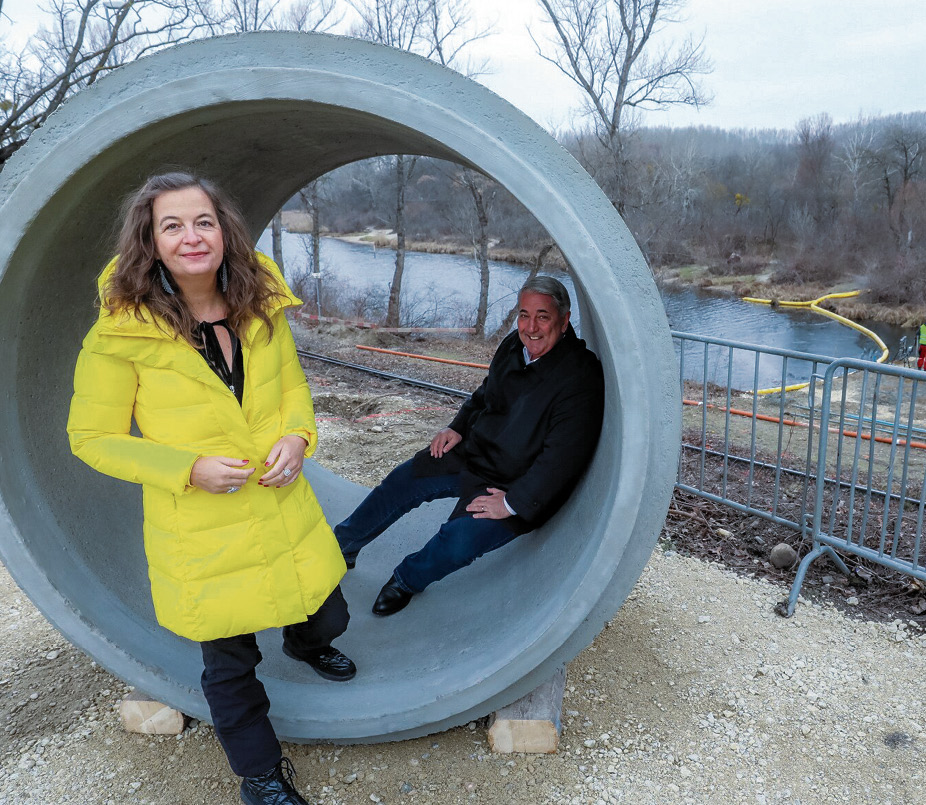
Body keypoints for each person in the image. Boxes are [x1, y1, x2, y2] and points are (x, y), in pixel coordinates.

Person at [67, 172, 352, 805]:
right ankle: (259, 776)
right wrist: (187, 468)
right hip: (203, 526)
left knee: (329, 611)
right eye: (173, 225)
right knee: (230, 662)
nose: (191, 236)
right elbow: (90, 437)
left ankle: (306, 643)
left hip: (280, 504)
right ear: (150, 240)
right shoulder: (122, 333)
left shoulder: (260, 301)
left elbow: (292, 390)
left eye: (203, 221)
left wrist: (299, 439)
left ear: (224, 231)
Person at [336, 276, 604, 616]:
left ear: (564, 321)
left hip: (513, 483)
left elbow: (562, 458)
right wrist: (458, 426)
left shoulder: (580, 377)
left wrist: (512, 503)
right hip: (476, 454)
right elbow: (485, 393)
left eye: (543, 316)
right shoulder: (513, 345)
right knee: (403, 480)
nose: (531, 327)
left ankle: (406, 580)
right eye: (524, 314)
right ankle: (343, 544)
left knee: (459, 540)